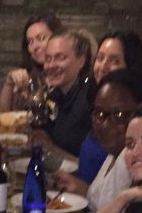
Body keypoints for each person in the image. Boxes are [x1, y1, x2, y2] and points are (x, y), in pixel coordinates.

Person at [55, 67, 142, 198]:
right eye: (99, 114)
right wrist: (82, 190)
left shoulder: (135, 160)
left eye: (118, 115)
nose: (105, 124)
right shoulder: (113, 154)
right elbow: (103, 202)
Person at [30, 28, 95, 165]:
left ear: (81, 61)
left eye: (60, 58)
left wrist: (51, 148)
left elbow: (94, 169)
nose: (51, 65)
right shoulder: (54, 95)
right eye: (48, 59)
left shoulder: (91, 98)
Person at [0, 13, 63, 113]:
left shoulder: (68, 76)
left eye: (41, 38)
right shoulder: (29, 77)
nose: (35, 46)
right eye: (30, 41)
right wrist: (9, 82)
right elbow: (1, 117)